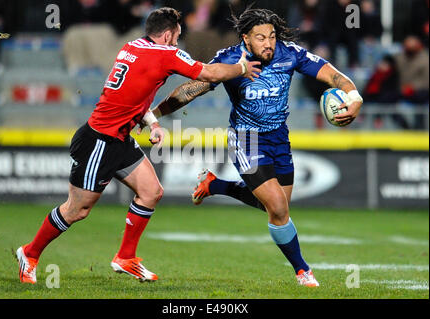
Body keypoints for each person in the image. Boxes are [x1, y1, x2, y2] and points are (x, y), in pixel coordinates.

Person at [16, 7, 261, 284]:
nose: (178, 42)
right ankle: (30, 253)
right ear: (168, 35)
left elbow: (134, 94)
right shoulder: (165, 53)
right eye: (177, 36)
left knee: (151, 191)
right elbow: (210, 74)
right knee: (77, 210)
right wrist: (241, 67)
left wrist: (153, 124)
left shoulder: (132, 47)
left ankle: (126, 258)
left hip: (119, 137)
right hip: (101, 141)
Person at [149, 8, 363, 287]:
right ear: (245, 39)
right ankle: (303, 271)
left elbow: (332, 75)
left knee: (275, 208)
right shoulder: (230, 59)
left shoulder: (290, 54)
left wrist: (354, 95)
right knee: (277, 207)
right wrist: (154, 115)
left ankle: (216, 185)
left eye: (272, 36)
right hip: (246, 139)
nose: (269, 43)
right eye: (261, 37)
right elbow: (190, 90)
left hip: (279, 139)